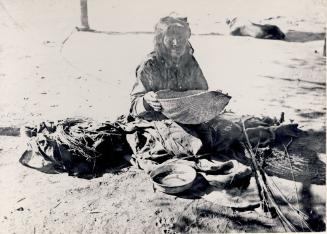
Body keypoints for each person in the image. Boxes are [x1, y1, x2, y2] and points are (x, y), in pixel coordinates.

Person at [130, 15, 208, 121]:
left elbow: (202, 91)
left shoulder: (190, 61)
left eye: (180, 37)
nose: (176, 43)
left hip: (189, 117)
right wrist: (146, 100)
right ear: (161, 40)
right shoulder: (150, 64)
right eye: (170, 37)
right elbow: (134, 107)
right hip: (158, 120)